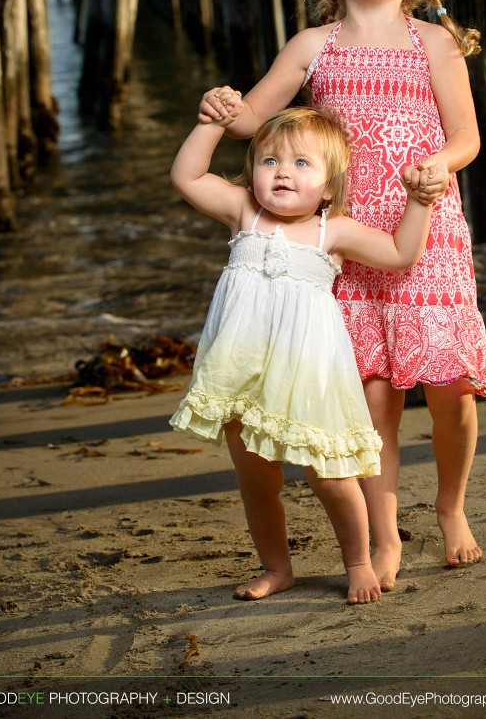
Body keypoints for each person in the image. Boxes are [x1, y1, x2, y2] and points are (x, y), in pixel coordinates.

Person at [196, 0, 486, 592]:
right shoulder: (311, 46)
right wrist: (220, 104)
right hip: (344, 238)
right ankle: (384, 536)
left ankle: (449, 507)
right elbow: (250, 123)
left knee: (450, 389)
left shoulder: (434, 43)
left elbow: (465, 137)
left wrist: (434, 168)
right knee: (372, 395)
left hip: (425, 227)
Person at [169, 105, 432, 604]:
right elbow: (187, 176)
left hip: (307, 373)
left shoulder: (333, 232)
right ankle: (277, 567)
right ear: (252, 175)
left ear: (330, 188)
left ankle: (357, 561)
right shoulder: (246, 213)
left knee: (332, 475)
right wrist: (208, 124)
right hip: (241, 372)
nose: (282, 172)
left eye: (301, 164)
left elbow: (401, 253)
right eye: (268, 162)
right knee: (256, 480)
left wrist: (419, 201)